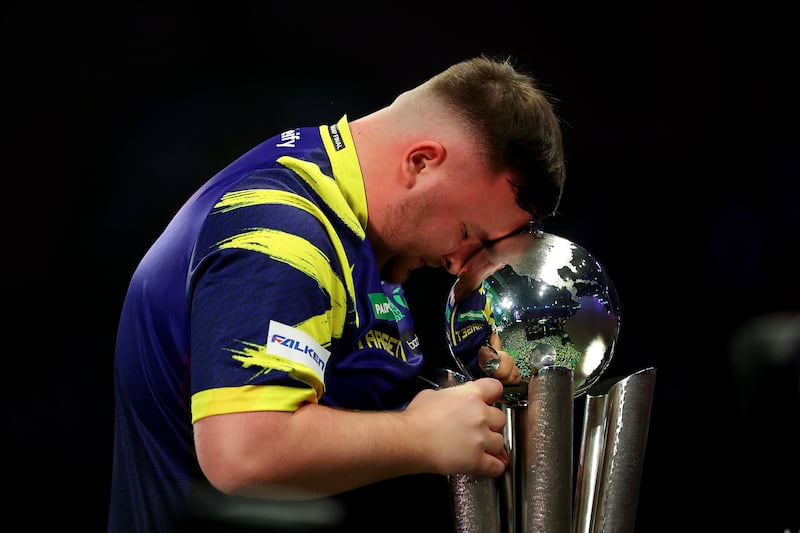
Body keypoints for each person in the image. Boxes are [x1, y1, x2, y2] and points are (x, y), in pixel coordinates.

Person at [108, 54, 566, 532]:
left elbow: (347, 399)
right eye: (468, 231)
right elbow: (243, 452)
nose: (459, 262)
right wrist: (421, 436)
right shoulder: (284, 229)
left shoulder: (350, 217)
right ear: (421, 162)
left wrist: (463, 392)